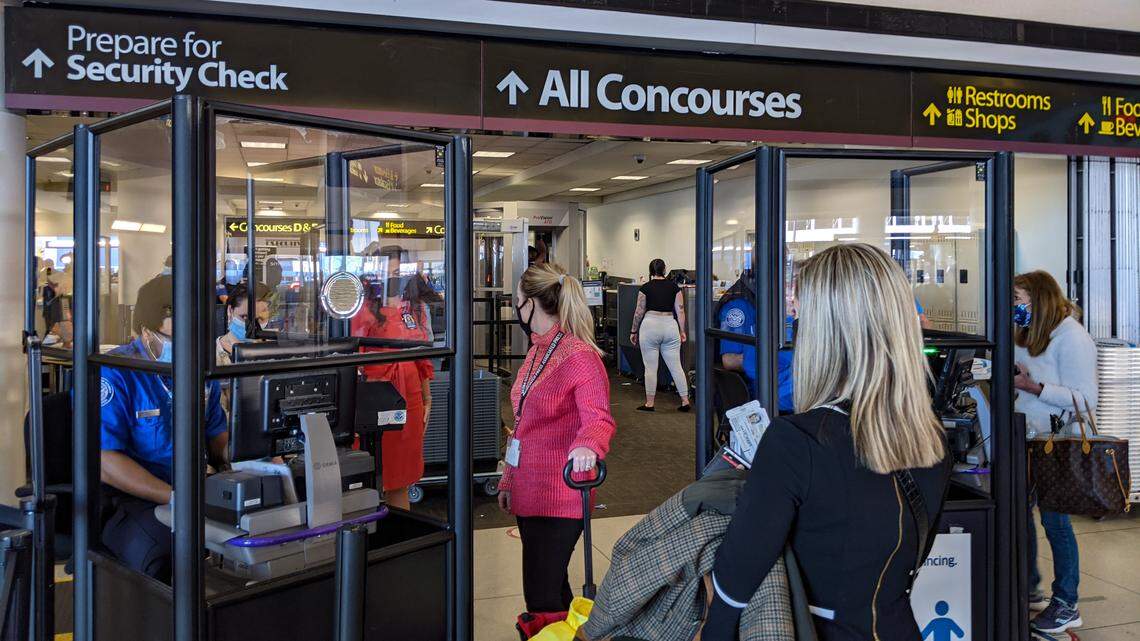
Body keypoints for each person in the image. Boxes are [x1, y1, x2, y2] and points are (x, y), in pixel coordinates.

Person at [703, 243, 952, 641]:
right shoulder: (930, 438)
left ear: (822, 331)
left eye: (800, 313)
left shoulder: (795, 442)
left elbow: (734, 586)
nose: (794, 319)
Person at [498, 262, 616, 624]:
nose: (515, 308)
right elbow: (523, 424)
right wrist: (508, 479)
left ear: (531, 303)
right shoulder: (537, 350)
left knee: (542, 596)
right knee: (552, 590)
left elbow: (598, 418)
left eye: (517, 300)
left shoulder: (579, 356)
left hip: (561, 495)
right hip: (530, 490)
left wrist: (587, 446)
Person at [99, 274, 229, 581]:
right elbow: (105, 462)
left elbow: (217, 437)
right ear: (147, 332)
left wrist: (254, 459)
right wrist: (175, 497)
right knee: (170, 552)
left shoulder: (197, 371)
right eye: (175, 336)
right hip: (132, 499)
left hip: (194, 491)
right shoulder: (116, 372)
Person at [1013, 270, 1097, 634]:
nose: (1013, 307)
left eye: (1017, 300)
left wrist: (1034, 386)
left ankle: (1066, 603)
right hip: (1027, 437)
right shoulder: (1026, 333)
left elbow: (1085, 399)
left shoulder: (1072, 337)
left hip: (1056, 443)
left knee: (1056, 523)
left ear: (1039, 300)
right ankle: (1030, 586)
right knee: (1019, 515)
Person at [351, 245, 433, 511]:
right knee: (372, 471)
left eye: (398, 273)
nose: (393, 278)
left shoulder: (413, 308)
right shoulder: (363, 309)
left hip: (410, 397)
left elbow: (422, 357)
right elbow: (353, 359)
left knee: (402, 475)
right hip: (376, 398)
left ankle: (399, 527)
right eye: (388, 272)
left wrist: (427, 398)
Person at [715, 270, 795, 413]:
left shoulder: (764, 300)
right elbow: (729, 360)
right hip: (762, 395)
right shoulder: (738, 305)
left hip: (776, 389)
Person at [630, 259, 690, 412]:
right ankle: (685, 401)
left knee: (650, 368)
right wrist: (682, 331)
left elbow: (639, 312)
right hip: (670, 325)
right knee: (676, 366)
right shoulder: (674, 287)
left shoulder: (645, 288)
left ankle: (650, 403)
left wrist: (633, 331)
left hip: (650, 326)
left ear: (651, 271)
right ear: (664, 270)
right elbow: (680, 311)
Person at [216, 283, 270, 366]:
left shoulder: (276, 349)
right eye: (245, 317)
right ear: (230, 311)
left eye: (260, 319)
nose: (253, 326)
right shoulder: (212, 354)